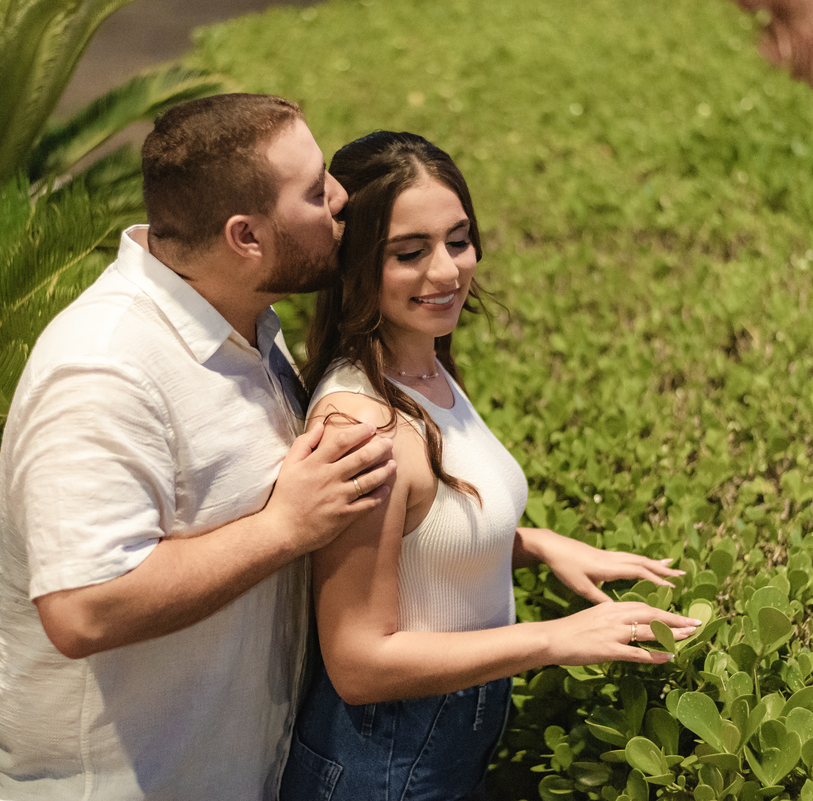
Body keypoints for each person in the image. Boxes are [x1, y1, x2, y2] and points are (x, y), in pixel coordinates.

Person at [0, 94, 396, 801]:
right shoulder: (105, 368)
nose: (340, 197)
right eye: (315, 187)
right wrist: (284, 527)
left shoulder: (244, 321)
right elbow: (83, 607)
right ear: (246, 237)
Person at [279, 131, 702, 801]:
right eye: (409, 253)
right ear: (357, 263)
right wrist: (554, 638)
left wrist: (533, 544)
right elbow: (358, 661)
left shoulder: (424, 365)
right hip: (383, 759)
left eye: (458, 239)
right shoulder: (363, 424)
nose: (447, 271)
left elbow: (421, 539)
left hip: (439, 741)